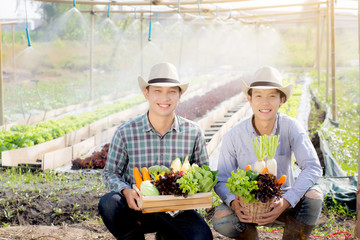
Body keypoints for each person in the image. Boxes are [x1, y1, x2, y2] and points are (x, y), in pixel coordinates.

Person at [98, 62, 213, 240]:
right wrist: (126, 191)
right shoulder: (126, 132)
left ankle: (166, 235)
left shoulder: (193, 132)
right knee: (109, 204)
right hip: (136, 209)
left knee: (201, 237)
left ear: (180, 95)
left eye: (171, 91)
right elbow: (110, 173)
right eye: (157, 91)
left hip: (175, 211)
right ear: (147, 93)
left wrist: (191, 191)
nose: (164, 98)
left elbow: (204, 172)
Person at [212, 66, 323, 240]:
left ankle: (293, 238)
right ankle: (250, 236)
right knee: (222, 219)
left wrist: (287, 200)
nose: (265, 102)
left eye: (272, 96)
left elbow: (312, 166)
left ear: (282, 100)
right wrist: (234, 202)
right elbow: (222, 178)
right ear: (249, 99)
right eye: (258, 96)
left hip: (284, 203)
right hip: (247, 206)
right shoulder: (234, 135)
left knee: (314, 196)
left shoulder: (291, 127)